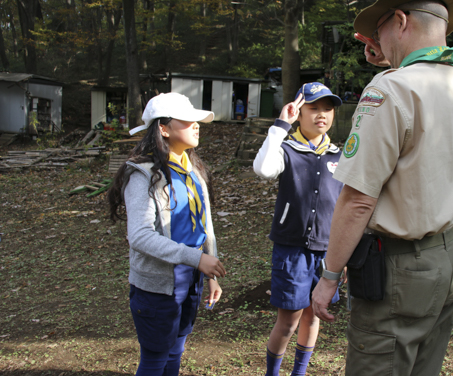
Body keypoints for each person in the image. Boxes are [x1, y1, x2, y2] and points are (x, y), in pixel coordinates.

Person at [311, 0, 453, 375]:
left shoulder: (389, 91)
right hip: (449, 259)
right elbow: (441, 62)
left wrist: (328, 277)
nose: (377, 43)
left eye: (380, 32)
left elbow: (358, 199)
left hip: (399, 273)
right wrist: (393, 53)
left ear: (400, 19)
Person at [107, 92, 226, 376]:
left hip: (192, 278)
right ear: (163, 128)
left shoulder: (194, 170)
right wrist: (196, 260)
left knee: (176, 350)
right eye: (187, 120)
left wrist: (209, 272)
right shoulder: (143, 176)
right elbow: (139, 236)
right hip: (157, 285)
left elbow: (204, 226)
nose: (197, 125)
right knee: (155, 358)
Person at [254, 82, 344, 376]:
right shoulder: (286, 149)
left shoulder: (340, 156)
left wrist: (342, 257)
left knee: (313, 315)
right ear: (299, 112)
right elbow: (264, 170)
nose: (322, 115)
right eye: (313, 108)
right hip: (292, 251)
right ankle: (272, 373)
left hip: (327, 252)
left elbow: (347, 206)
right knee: (289, 320)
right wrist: (281, 125)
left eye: (327, 109)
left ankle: (299, 373)